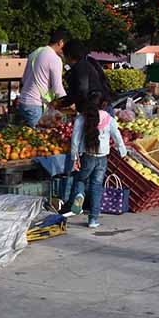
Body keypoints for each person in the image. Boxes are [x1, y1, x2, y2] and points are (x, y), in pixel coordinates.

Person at [67, 94, 127, 228]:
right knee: (96, 186)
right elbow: (117, 136)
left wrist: (75, 158)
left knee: (80, 179)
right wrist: (123, 153)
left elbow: (75, 139)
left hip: (87, 156)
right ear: (103, 105)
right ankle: (93, 220)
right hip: (102, 158)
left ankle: (80, 194)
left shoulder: (82, 118)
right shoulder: (108, 118)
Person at [18, 28, 69, 127]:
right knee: (39, 139)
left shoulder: (34, 53)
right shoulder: (55, 59)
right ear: (61, 42)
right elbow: (58, 89)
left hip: (23, 102)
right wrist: (70, 104)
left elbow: (24, 79)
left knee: (24, 138)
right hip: (36, 105)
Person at [57, 39, 112, 113]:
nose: (64, 59)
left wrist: (63, 103)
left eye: (64, 55)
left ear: (69, 55)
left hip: (93, 110)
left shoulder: (80, 67)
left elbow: (82, 91)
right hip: (95, 106)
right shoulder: (85, 63)